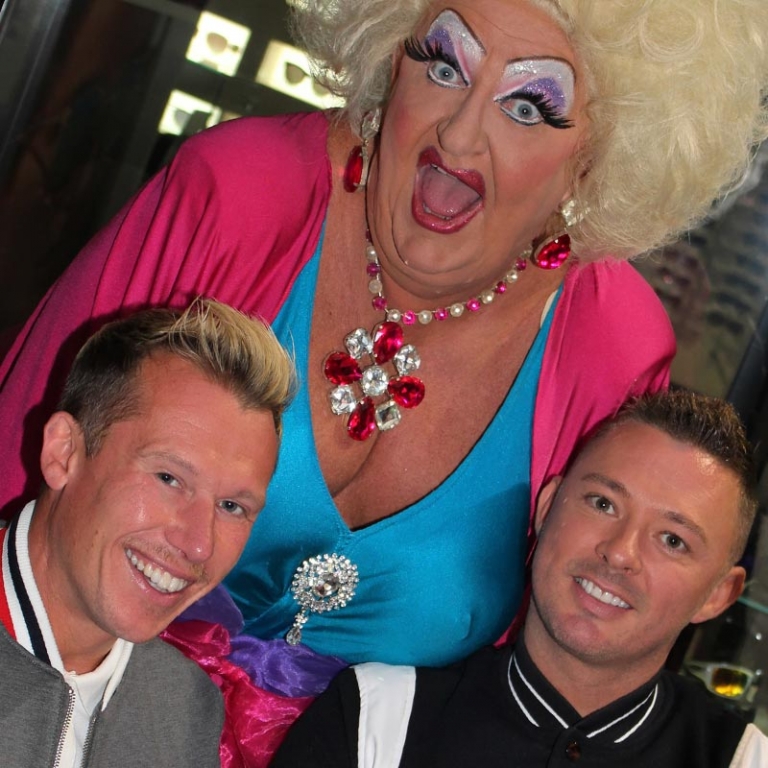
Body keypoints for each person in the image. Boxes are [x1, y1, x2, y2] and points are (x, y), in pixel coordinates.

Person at [0, 1, 766, 764]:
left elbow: (569, 658)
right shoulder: (236, 194)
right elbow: (27, 465)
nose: (459, 134)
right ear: (390, 58)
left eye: (529, 106)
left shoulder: (610, 344)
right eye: (443, 65)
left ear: (594, 155)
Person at [272, 390, 768, 767]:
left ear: (719, 595)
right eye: (603, 503)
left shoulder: (744, 758)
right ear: (547, 506)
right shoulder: (377, 717)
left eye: (673, 540)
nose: (619, 552)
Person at [0, 298, 295, 767]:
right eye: (168, 478)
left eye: (231, 506)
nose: (198, 543)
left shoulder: (185, 712)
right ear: (64, 453)